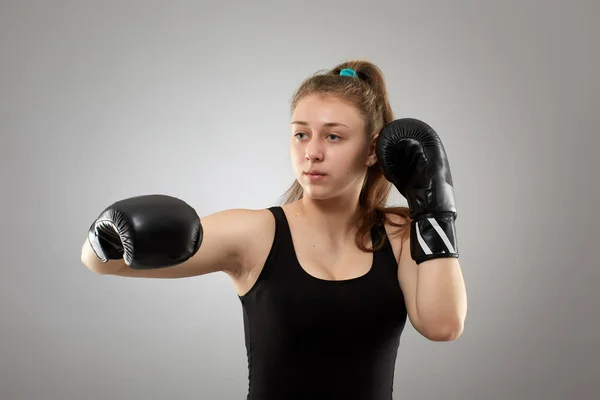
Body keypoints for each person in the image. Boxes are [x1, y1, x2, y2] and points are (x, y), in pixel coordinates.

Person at [80, 60, 468, 400]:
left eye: (333, 136)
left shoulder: (401, 232)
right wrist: (104, 237)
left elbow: (443, 325)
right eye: (301, 134)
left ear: (372, 150)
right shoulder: (256, 233)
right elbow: (103, 264)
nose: (312, 152)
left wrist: (433, 209)